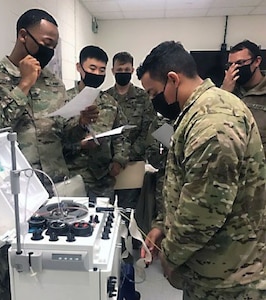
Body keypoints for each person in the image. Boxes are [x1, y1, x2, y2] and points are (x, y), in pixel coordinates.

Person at [0, 9, 98, 299]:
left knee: (57, 271)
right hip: (14, 196)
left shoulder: (53, 83)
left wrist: (81, 124)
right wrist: (24, 84)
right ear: (23, 36)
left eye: (55, 46)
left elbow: (63, 134)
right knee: (12, 271)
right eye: (46, 43)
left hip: (57, 188)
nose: (50, 51)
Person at [137, 40, 266, 299]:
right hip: (208, 266)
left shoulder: (213, 122)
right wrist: (162, 225)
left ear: (173, 79)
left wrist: (170, 256)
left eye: (153, 93)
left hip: (229, 278)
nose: (154, 102)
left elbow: (204, 211)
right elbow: (185, 183)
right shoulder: (194, 114)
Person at [64, 45, 129, 204]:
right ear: (79, 68)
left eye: (102, 70)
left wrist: (119, 160)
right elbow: (54, 140)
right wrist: (80, 144)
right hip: (72, 176)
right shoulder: (64, 100)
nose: (97, 74)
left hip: (102, 178)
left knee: (104, 222)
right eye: (92, 68)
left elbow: (122, 135)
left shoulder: (109, 102)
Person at [106, 51, 156, 210]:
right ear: (112, 71)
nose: (123, 74)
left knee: (128, 210)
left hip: (133, 163)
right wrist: (114, 159)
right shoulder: (105, 97)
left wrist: (125, 157)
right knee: (104, 209)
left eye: (126, 71)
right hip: (108, 164)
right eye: (119, 70)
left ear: (132, 71)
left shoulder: (143, 97)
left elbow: (148, 129)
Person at [221, 39, 266, 156]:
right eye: (230, 65)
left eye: (240, 63)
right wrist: (224, 93)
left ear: (256, 61)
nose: (234, 68)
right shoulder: (225, 91)